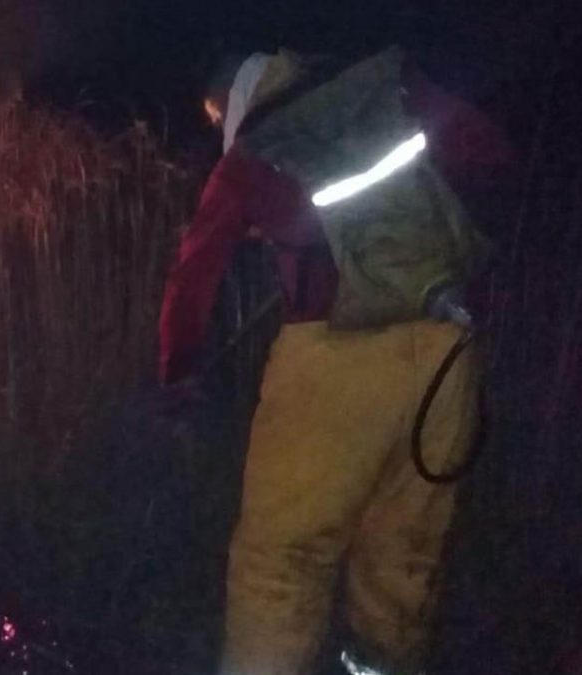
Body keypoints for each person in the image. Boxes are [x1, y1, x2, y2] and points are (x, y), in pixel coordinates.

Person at [159, 47, 511, 674]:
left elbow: (194, 276)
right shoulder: (389, 91)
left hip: (332, 366)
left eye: (217, 118)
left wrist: (179, 372)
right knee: (404, 554)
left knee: (283, 558)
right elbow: (489, 156)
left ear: (232, 101)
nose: (220, 129)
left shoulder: (253, 152)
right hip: (446, 347)